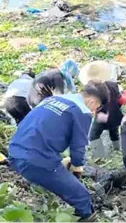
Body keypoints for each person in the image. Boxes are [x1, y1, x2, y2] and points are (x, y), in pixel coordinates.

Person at [8, 80, 110, 222]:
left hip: (14, 152)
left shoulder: (53, 99)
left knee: (59, 170)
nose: (94, 112)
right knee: (81, 196)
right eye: (96, 108)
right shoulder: (82, 111)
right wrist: (77, 168)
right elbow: (78, 148)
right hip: (35, 160)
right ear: (92, 102)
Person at [79, 60, 126, 158]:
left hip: (102, 116)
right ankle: (117, 149)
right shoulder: (113, 84)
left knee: (93, 135)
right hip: (115, 114)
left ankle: (100, 156)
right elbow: (120, 100)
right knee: (114, 131)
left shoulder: (90, 90)